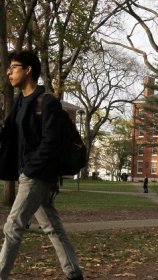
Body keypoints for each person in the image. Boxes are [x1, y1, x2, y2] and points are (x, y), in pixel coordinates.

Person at [0, 50, 83, 280]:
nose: (9, 72)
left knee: (13, 226)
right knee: (52, 227)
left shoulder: (48, 102)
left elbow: (51, 142)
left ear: (28, 70)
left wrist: (30, 169)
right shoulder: (19, 103)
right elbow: (9, 134)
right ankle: (74, 273)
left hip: (36, 175)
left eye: (14, 67)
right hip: (28, 173)